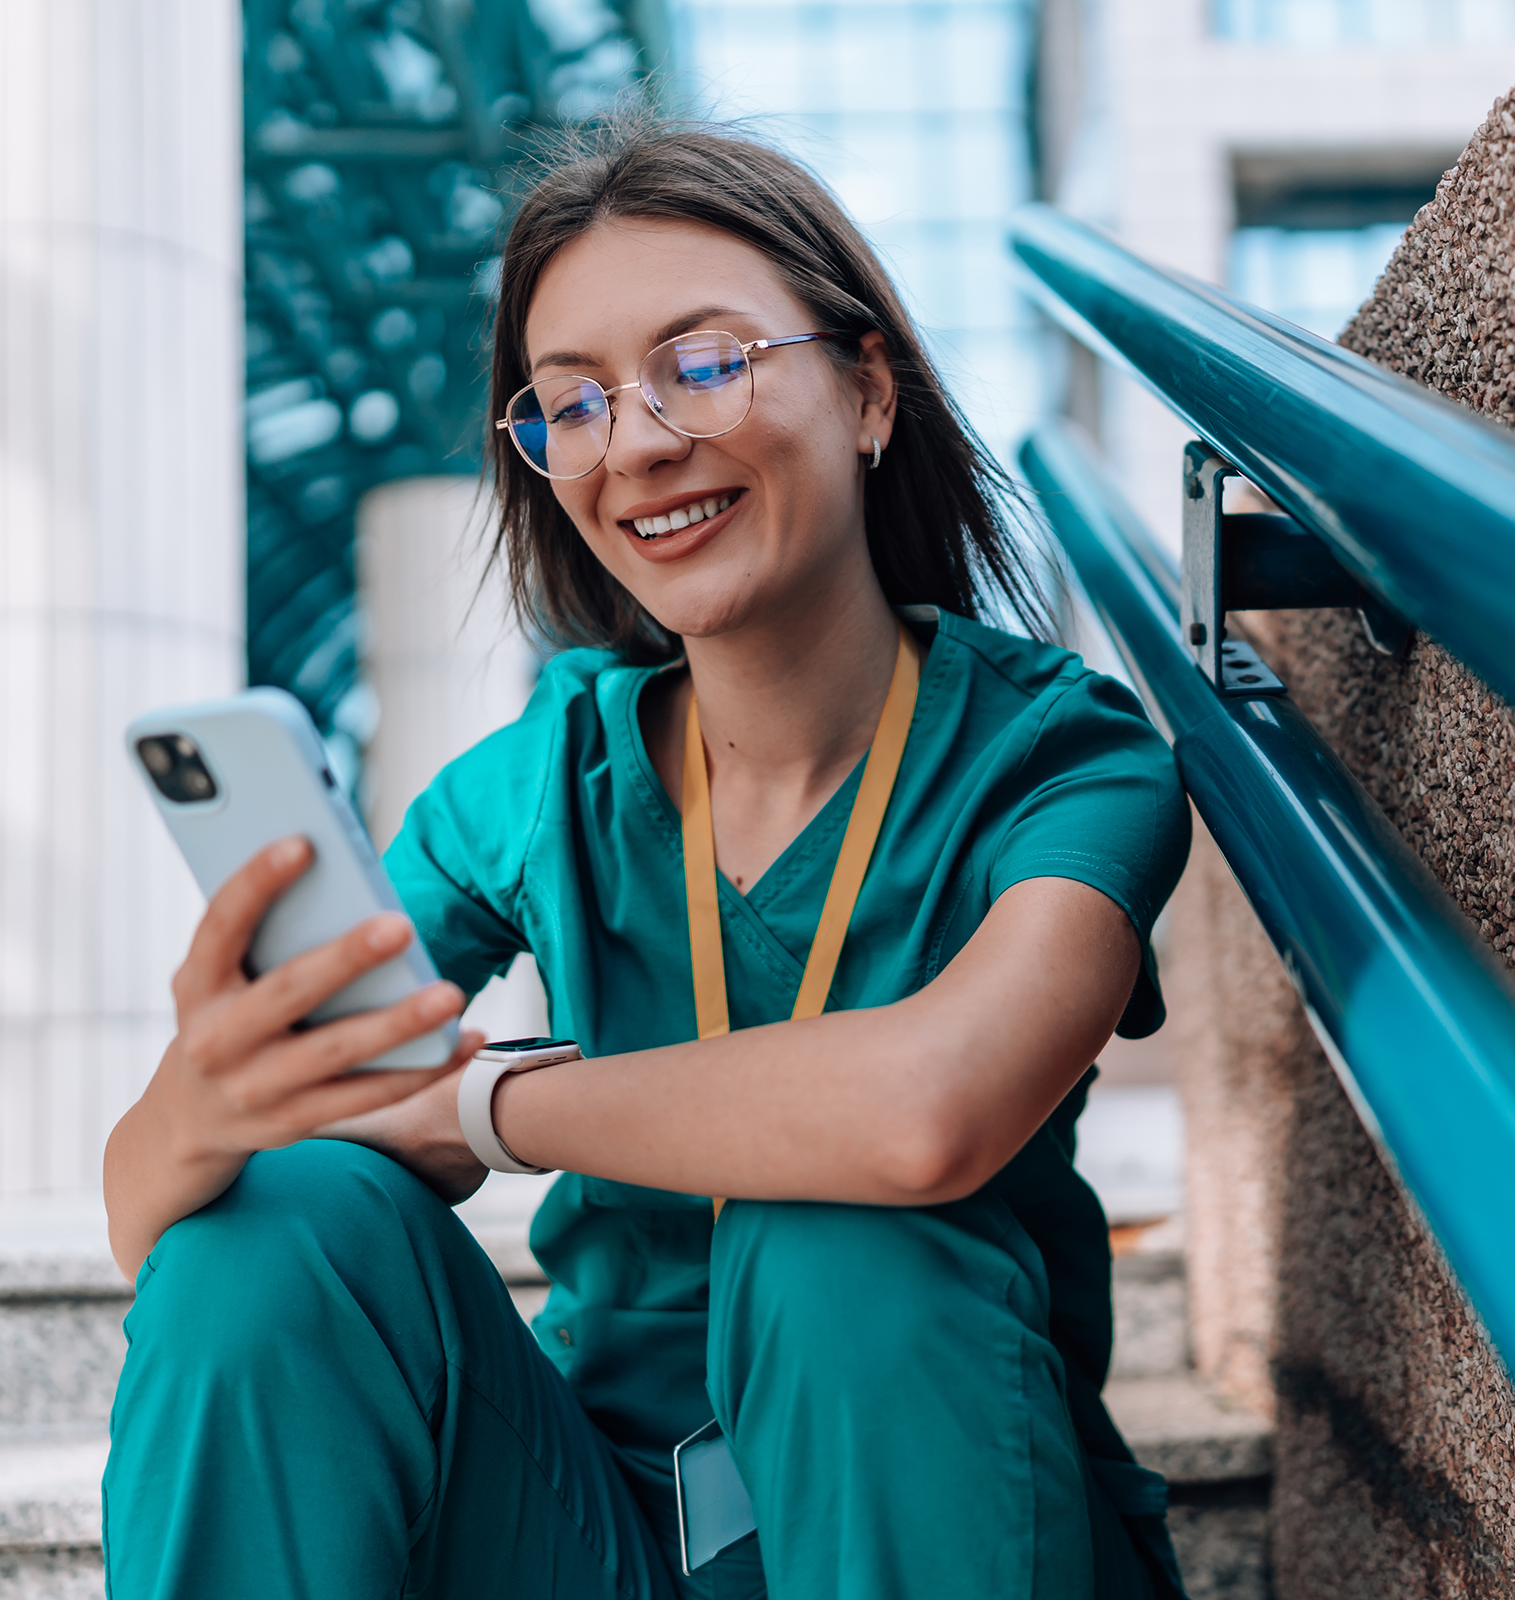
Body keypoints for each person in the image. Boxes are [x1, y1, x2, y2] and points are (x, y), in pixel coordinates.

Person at [101, 115, 1192, 1600]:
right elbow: (158, 1220)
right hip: (592, 1532)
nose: (641, 442)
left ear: (869, 390)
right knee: (269, 1229)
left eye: (707, 362)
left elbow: (931, 1111)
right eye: (571, 404)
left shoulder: (1065, 759)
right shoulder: (539, 782)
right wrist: (206, 1098)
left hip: (926, 1503)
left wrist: (491, 1104)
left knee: (845, 1248)